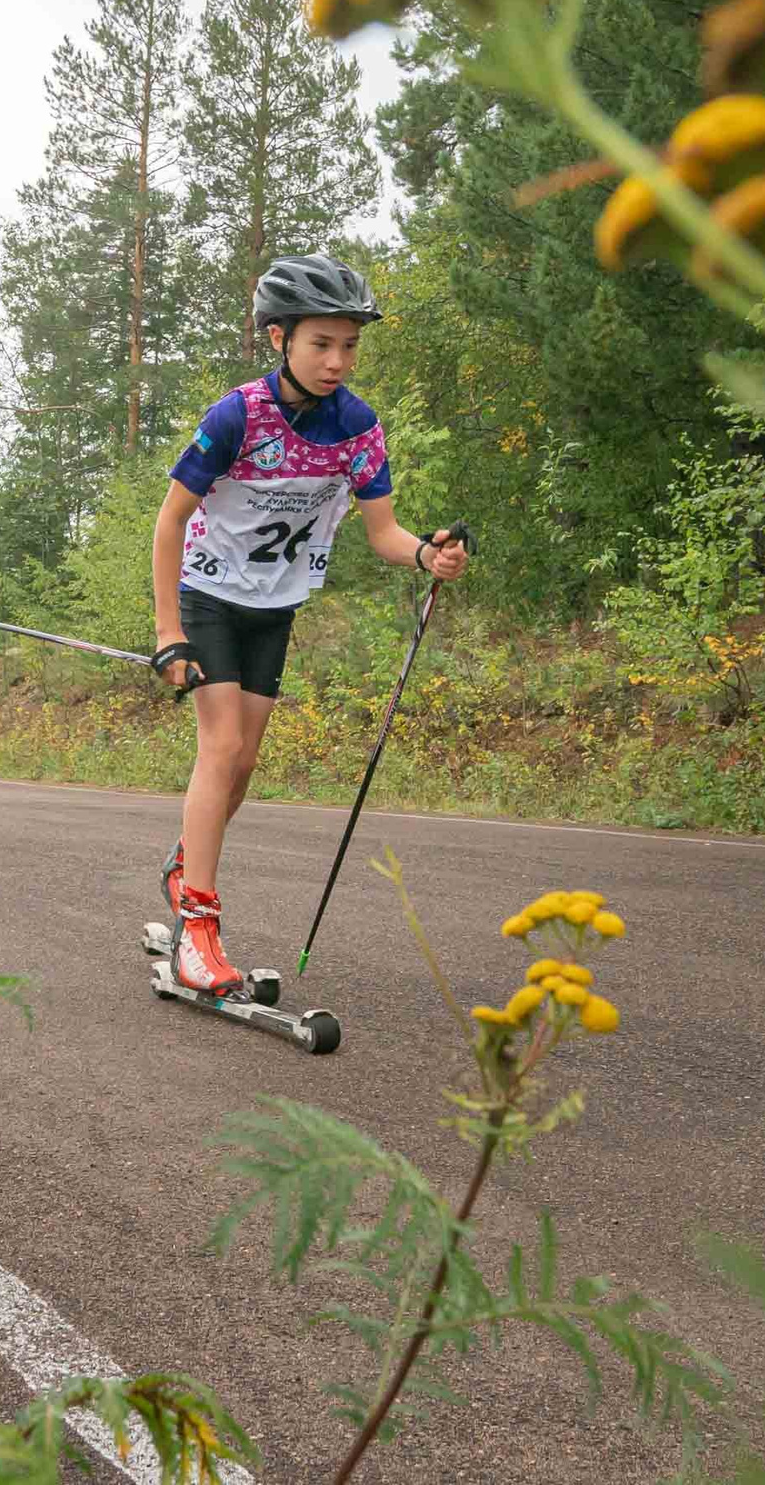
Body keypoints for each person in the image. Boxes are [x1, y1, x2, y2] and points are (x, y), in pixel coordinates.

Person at [150, 252, 469, 998]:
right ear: (278, 339)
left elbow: (384, 533)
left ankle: (181, 864)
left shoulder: (358, 427)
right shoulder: (238, 416)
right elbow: (170, 523)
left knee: (244, 765)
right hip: (209, 596)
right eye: (321, 343)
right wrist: (169, 629)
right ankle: (198, 926)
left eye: (350, 345)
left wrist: (426, 554)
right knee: (220, 746)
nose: (337, 360)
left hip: (274, 607)